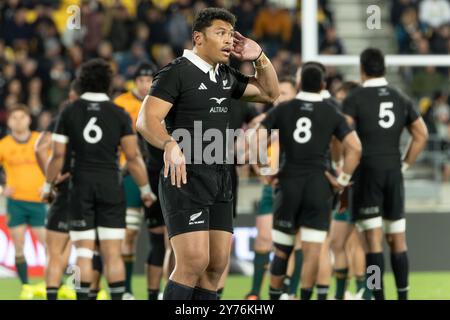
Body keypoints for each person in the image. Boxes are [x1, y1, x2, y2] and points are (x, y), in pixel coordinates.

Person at [136, 7, 280, 300]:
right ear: (198, 38)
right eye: (220, 33)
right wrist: (169, 144)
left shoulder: (225, 75)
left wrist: (259, 57)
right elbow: (145, 120)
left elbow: (269, 93)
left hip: (221, 176)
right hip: (185, 177)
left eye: (230, 34)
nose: (228, 40)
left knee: (215, 266)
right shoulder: (176, 72)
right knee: (192, 262)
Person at [43, 59, 156, 300]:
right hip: (110, 185)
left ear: (82, 83)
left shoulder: (69, 111)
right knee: (113, 254)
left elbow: (57, 156)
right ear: (108, 84)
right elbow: (133, 157)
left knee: (84, 251)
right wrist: (145, 189)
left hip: (80, 186)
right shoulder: (119, 113)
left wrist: (47, 185)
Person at [260, 65, 362, 300]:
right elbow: (355, 147)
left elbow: (256, 134)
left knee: (282, 251)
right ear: (323, 86)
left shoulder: (283, 109)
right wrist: (342, 179)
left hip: (288, 184)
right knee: (313, 251)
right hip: (319, 186)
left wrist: (267, 169)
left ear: (298, 85)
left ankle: (274, 299)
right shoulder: (332, 112)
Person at [342, 48, 428, 300]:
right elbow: (421, 134)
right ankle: (403, 297)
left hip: (367, 173)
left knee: (373, 243)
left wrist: (343, 166)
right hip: (393, 172)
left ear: (362, 68)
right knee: (398, 240)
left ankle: (377, 297)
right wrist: (405, 164)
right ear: (385, 68)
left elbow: (345, 138)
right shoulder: (399, 96)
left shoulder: (354, 98)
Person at [114, 61, 167, 300]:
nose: (146, 85)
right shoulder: (120, 103)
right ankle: (126, 289)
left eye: (149, 80)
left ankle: (158, 292)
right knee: (129, 233)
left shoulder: (162, 100)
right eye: (142, 80)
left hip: (158, 172)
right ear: (135, 82)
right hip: (131, 174)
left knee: (163, 236)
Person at [245, 76, 297, 300]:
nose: (281, 97)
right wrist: (263, 171)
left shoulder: (302, 119)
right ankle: (256, 292)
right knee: (264, 238)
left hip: (295, 185)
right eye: (279, 93)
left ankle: (288, 290)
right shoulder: (264, 120)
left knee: (291, 241)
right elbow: (249, 152)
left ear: (295, 95)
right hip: (271, 186)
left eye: (286, 93)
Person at [34, 80, 80, 300]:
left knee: (54, 253)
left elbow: (40, 148)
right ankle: (80, 292)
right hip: (93, 189)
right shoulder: (106, 115)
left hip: (65, 190)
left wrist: (50, 180)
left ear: (71, 96)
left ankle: (52, 295)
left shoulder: (62, 118)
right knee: (83, 251)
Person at [0, 105, 47, 299]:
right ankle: (26, 286)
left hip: (39, 202)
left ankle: (58, 283)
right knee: (18, 246)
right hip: (16, 203)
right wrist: (2, 189)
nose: (18, 121)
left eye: (22, 117)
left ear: (29, 119)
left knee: (52, 246)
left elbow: (55, 162)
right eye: (14, 118)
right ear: (9, 121)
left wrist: (48, 184)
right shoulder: (4, 144)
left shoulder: (41, 140)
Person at [328, 81, 367, 300]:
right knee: (337, 241)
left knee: (366, 243)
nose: (340, 101)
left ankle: (367, 290)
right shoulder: (341, 123)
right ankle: (342, 293)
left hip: (363, 187)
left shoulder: (362, 124)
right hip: (345, 189)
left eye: (343, 97)